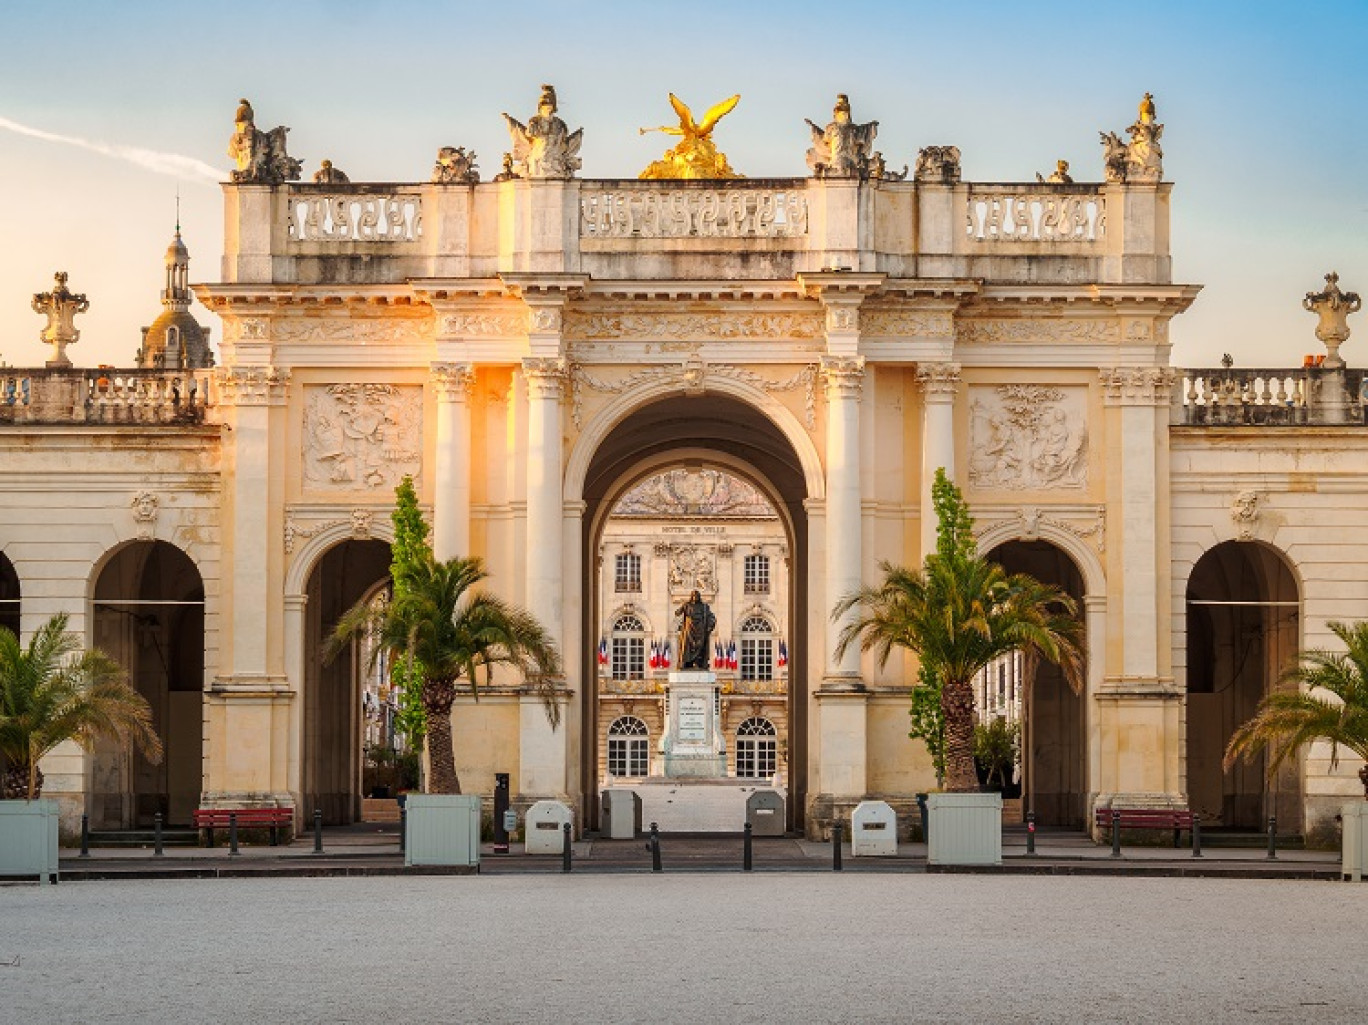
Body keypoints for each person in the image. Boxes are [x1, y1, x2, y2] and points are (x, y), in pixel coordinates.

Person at [675, 589, 717, 670]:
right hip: (689, 628)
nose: (695, 597)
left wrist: (710, 625)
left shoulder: (704, 607)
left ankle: (698, 663)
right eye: (694, 595)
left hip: (700, 629)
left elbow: (711, 616)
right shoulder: (687, 605)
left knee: (699, 646)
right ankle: (685, 663)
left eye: (697, 595)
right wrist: (680, 609)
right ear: (691, 596)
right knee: (686, 646)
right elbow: (677, 613)